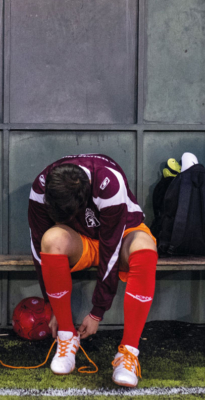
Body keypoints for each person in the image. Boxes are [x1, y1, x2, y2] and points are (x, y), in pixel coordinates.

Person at [28, 154, 158, 388]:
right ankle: (67, 338)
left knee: (145, 248)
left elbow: (112, 248)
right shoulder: (41, 186)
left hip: (122, 234)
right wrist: (52, 304)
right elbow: (38, 244)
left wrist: (98, 311)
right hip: (81, 240)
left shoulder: (109, 183)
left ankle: (128, 354)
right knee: (51, 239)